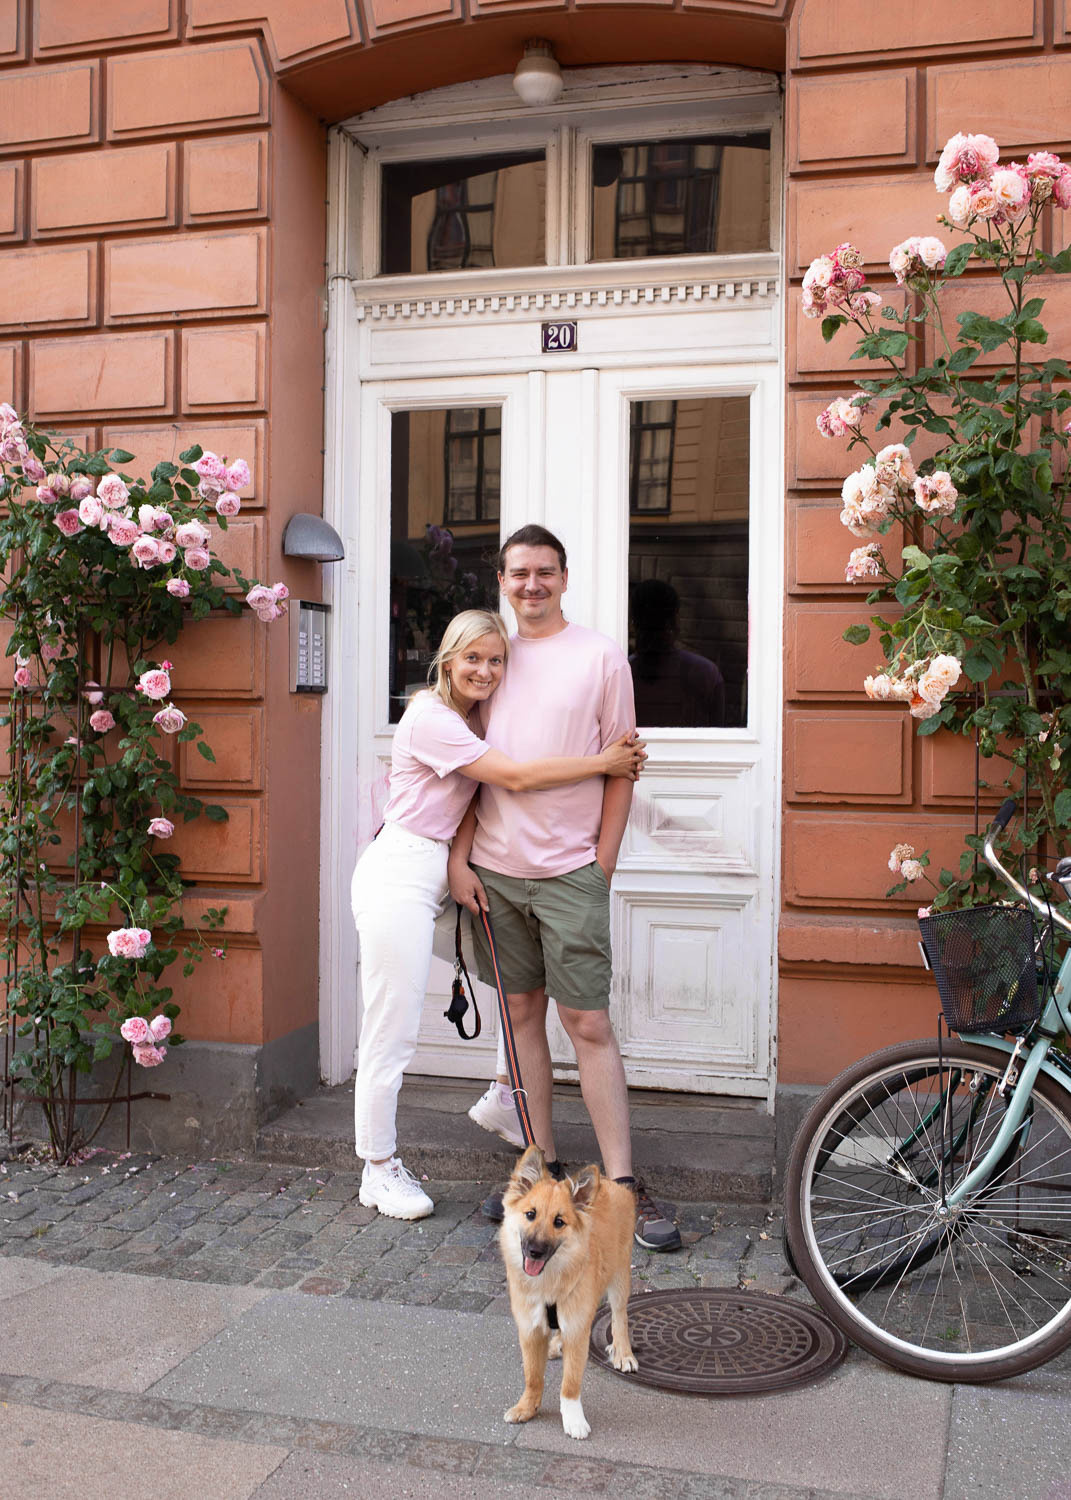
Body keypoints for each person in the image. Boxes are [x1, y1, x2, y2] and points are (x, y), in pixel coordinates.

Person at [351, 608, 645, 1222]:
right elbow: (510, 776)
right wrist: (603, 762)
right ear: (446, 661)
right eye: (472, 659)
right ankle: (377, 1167)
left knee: (512, 991)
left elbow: (471, 798)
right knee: (393, 1019)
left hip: (449, 869)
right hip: (402, 869)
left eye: (495, 660)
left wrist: (460, 861)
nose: (485, 670)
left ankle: (505, 1097)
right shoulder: (433, 716)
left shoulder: (468, 715)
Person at [449, 526, 683, 1251]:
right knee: (520, 1017)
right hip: (495, 872)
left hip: (569, 873)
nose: (531, 585)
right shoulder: (489, 659)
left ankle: (621, 1187)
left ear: (565, 577)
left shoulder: (598, 656)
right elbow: (465, 770)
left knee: (586, 1026)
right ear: (501, 580)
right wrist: (459, 860)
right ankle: (537, 1173)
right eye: (519, 573)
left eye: (544, 572)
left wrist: (601, 864)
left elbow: (621, 763)